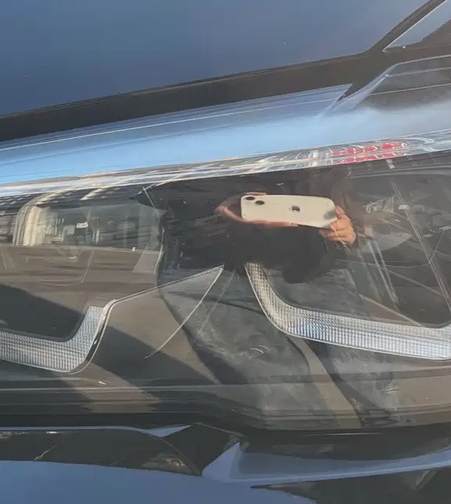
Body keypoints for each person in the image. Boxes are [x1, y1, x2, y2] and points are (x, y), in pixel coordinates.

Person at [153, 168, 400, 427]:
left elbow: (346, 179)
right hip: (210, 260)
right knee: (274, 385)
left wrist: (351, 226)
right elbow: (145, 183)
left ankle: (384, 433)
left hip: (300, 256)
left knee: (363, 368)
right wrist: (214, 203)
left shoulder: (316, 152)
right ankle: (320, 439)